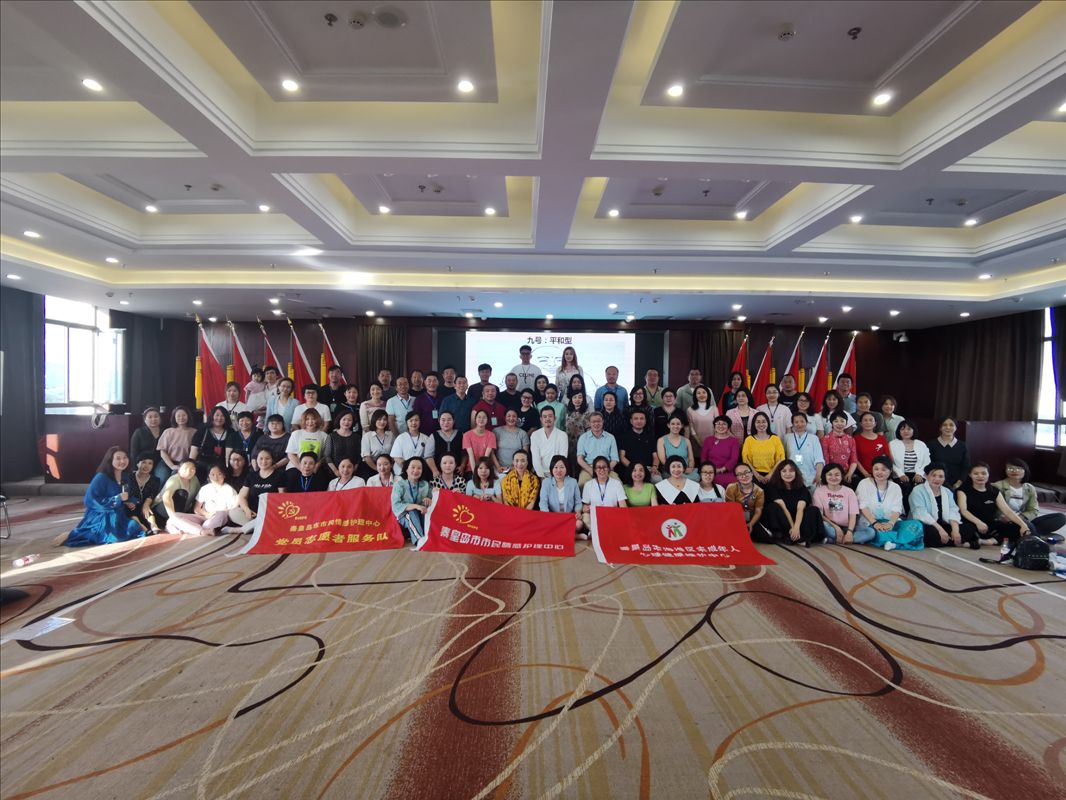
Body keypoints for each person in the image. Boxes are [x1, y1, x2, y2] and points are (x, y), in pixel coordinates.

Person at [63, 447, 147, 546]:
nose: (122, 461)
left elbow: (128, 495)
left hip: (118, 515)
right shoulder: (101, 477)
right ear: (110, 460)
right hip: (101, 515)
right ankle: (75, 534)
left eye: (125, 457)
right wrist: (117, 499)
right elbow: (90, 500)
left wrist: (129, 501)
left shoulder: (125, 477)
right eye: (118, 458)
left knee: (134, 527)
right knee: (113, 537)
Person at [957, 462, 1030, 548]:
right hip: (971, 524)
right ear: (970, 475)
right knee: (965, 530)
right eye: (976, 474)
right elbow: (963, 510)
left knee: (1018, 526)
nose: (980, 476)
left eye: (983, 473)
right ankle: (984, 540)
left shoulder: (994, 491)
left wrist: (1023, 525)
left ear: (988, 474)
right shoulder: (963, 490)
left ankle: (988, 541)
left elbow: (1007, 511)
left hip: (990, 526)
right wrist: (978, 522)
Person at [993, 458, 1066, 537]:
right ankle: (1034, 536)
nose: (1015, 471)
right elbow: (993, 509)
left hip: (1023, 519)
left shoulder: (1029, 488)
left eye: (1019, 468)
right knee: (1026, 525)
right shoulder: (997, 486)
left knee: (1060, 517)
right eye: (1010, 468)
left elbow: (1033, 510)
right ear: (1005, 471)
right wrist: (1011, 518)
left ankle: (1029, 533)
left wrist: (1021, 517)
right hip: (1005, 521)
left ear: (1025, 471)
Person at [759, 460, 824, 546]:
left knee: (813, 510)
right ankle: (790, 536)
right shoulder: (772, 487)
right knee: (773, 507)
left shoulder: (801, 487)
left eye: (791, 471)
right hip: (782, 520)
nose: (788, 474)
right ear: (779, 473)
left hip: (797, 518)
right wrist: (793, 527)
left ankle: (799, 536)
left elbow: (800, 509)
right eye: (784, 471)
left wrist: (796, 527)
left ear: (796, 472)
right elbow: (783, 508)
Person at [223, 449, 286, 533]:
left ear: (272, 460)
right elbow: (242, 496)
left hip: (270, 514)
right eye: (261, 458)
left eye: (267, 458)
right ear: (256, 460)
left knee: (273, 519)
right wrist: (247, 510)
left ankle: (241, 529)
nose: (264, 461)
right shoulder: (251, 476)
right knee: (233, 512)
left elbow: (282, 498)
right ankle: (259, 527)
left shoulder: (280, 475)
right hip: (252, 514)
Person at [167, 464, 240, 536]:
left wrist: (215, 514)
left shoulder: (229, 490)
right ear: (209, 476)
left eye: (219, 474)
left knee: (218, 516)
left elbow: (231, 510)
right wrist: (206, 514)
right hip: (204, 516)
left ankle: (193, 528)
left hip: (218, 517)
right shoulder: (205, 488)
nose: (216, 477)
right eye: (213, 474)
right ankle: (202, 531)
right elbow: (197, 508)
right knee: (174, 517)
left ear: (224, 475)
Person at [909, 463, 966, 548]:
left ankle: (951, 541)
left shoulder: (947, 491)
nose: (937, 479)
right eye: (934, 475)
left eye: (941, 476)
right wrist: (940, 529)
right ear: (926, 476)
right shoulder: (917, 491)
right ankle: (960, 543)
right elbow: (921, 514)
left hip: (943, 524)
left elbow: (953, 511)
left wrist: (955, 531)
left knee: (968, 528)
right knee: (932, 533)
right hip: (926, 524)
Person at [854, 456, 905, 546]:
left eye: (883, 469)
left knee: (917, 525)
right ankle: (894, 541)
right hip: (870, 523)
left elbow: (897, 509)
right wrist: (875, 523)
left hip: (889, 523)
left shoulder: (895, 487)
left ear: (890, 471)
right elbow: (863, 506)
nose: (879, 472)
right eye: (876, 469)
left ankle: (891, 541)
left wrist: (891, 523)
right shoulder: (864, 483)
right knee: (874, 532)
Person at [812, 463, 860, 544]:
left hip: (847, 527)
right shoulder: (819, 491)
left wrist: (850, 531)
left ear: (842, 476)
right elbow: (819, 514)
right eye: (830, 474)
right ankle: (844, 539)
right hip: (830, 526)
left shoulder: (849, 491)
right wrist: (836, 527)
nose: (833, 477)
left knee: (870, 532)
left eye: (837, 475)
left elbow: (853, 514)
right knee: (823, 526)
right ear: (825, 476)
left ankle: (835, 539)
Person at [539, 455, 586, 536]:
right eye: (556, 467)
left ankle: (559, 534)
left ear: (566, 468)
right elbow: (543, 502)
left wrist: (577, 512)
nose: (559, 470)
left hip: (568, 517)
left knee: (579, 524)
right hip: (552, 516)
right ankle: (574, 536)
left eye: (562, 467)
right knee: (543, 524)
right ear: (552, 469)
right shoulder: (546, 482)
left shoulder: (573, 482)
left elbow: (578, 502)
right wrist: (547, 515)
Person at [190, 405, 240, 480]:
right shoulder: (202, 430)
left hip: (222, 468)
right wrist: (190, 465)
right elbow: (194, 450)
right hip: (203, 466)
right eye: (217, 415)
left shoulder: (231, 432)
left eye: (222, 416)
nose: (219, 418)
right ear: (212, 416)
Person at [889, 421, 929, 510]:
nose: (906, 431)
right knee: (906, 487)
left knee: (919, 488)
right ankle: (906, 513)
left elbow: (927, 461)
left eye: (909, 429)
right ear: (898, 431)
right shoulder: (893, 444)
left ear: (913, 430)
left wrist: (919, 473)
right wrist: (900, 474)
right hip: (899, 475)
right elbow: (891, 462)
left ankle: (919, 512)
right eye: (902, 429)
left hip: (917, 474)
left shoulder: (921, 444)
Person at [391, 456, 432, 544]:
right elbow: (396, 505)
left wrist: (428, 499)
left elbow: (431, 501)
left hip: (420, 513)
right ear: (406, 469)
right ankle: (419, 540)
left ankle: (431, 537)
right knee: (412, 513)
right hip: (403, 514)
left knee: (427, 512)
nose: (416, 470)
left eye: (419, 468)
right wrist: (416, 506)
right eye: (413, 467)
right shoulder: (399, 485)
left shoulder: (425, 484)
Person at [152, 459, 199, 530]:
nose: (189, 471)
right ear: (179, 469)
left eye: (192, 469)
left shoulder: (195, 479)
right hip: (161, 513)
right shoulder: (174, 479)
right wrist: (174, 518)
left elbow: (199, 495)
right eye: (186, 468)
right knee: (182, 493)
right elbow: (166, 497)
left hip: (180, 512)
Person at [576, 411, 620, 487]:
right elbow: (580, 459)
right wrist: (591, 471)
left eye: (599, 421)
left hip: (607, 468)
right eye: (593, 422)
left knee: (618, 484)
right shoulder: (583, 438)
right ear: (589, 423)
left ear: (603, 421)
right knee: (581, 485)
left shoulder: (610, 437)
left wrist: (605, 470)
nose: (596, 424)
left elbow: (615, 459)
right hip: (589, 468)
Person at [581, 455, 627, 528]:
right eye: (598, 467)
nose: (602, 470)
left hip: (612, 516)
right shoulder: (588, 485)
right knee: (585, 517)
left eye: (604, 467)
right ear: (594, 470)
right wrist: (585, 508)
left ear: (608, 469)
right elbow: (585, 507)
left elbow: (623, 506)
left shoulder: (617, 483)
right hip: (595, 517)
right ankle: (593, 532)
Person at [740, 412, 785, 485]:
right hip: (753, 475)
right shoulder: (749, 439)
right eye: (758, 422)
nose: (761, 424)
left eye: (764, 422)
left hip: (773, 474)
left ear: (768, 423)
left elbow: (781, 458)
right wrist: (757, 475)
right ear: (754, 424)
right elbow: (746, 459)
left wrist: (770, 475)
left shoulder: (775, 438)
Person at [927, 416, 970, 489]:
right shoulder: (931, 445)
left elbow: (966, 467)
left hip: (957, 485)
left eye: (951, 425)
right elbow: (927, 465)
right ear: (940, 428)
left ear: (956, 428)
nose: (948, 427)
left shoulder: (962, 445)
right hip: (935, 483)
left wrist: (959, 483)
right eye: (944, 425)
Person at [726, 463, 766, 540]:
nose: (744, 476)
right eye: (739, 474)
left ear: (752, 473)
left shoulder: (759, 491)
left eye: (746, 472)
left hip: (751, 518)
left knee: (766, 538)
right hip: (734, 518)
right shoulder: (731, 487)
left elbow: (758, 510)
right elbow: (730, 508)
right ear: (737, 477)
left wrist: (751, 524)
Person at [155, 406, 196, 483]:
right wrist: (172, 466)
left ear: (188, 416)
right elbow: (162, 452)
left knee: (176, 478)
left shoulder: (194, 432)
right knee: (162, 478)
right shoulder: (168, 432)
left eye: (184, 415)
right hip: (167, 462)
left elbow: (195, 452)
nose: (181, 418)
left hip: (185, 463)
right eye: (178, 416)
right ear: (174, 418)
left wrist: (185, 465)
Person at [391, 410, 436, 476]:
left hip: (418, 473)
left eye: (416, 420)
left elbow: (428, 457)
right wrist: (408, 470)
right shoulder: (401, 438)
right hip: (401, 472)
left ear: (420, 422)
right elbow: (396, 457)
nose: (414, 423)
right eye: (411, 420)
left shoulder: (426, 438)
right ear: (407, 423)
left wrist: (416, 470)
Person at [785, 412, 824, 487]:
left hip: (811, 477)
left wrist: (818, 475)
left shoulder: (814, 438)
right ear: (792, 424)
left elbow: (819, 459)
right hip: (791, 477)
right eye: (796, 422)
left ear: (806, 423)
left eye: (802, 421)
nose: (799, 424)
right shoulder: (787, 438)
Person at [820, 411, 858, 485]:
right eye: (836, 421)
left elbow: (854, 460)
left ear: (846, 423)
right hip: (830, 474)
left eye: (842, 421)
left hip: (846, 474)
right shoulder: (825, 439)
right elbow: (825, 460)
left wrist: (849, 474)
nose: (839, 424)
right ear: (832, 423)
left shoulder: (850, 439)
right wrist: (830, 475)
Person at [701, 415, 740, 487]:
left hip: (727, 472)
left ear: (728, 427)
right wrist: (709, 470)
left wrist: (721, 469)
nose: (721, 426)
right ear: (714, 426)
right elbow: (703, 458)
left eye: (724, 424)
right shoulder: (708, 440)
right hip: (709, 472)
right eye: (718, 423)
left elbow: (734, 459)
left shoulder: (734, 441)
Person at [530, 406, 569, 478]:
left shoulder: (562, 435)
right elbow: (535, 459)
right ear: (541, 419)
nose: (547, 419)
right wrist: (542, 476)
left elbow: (563, 458)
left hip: (558, 472)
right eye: (545, 417)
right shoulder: (535, 435)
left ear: (555, 418)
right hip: (540, 473)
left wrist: (556, 476)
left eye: (550, 416)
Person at [322, 409, 361, 480]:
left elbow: (359, 456)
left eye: (349, 420)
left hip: (353, 473)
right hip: (334, 473)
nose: (346, 422)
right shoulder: (331, 436)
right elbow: (327, 456)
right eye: (344, 419)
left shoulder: (357, 437)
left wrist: (353, 470)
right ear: (339, 420)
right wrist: (335, 471)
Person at [853, 411, 891, 483]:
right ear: (860, 423)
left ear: (875, 423)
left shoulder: (881, 439)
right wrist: (865, 473)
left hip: (881, 474)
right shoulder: (855, 439)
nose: (868, 422)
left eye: (871, 420)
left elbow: (887, 457)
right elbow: (854, 459)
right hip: (862, 474)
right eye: (865, 420)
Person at [129, 451, 162, 533]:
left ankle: (153, 525)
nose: (147, 466)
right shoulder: (129, 477)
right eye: (143, 462)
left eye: (150, 463)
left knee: (148, 509)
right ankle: (143, 528)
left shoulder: (155, 480)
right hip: (131, 506)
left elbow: (152, 495)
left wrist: (146, 504)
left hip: (145, 506)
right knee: (131, 511)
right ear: (137, 464)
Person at [656, 415, 697, 480]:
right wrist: (677, 470)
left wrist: (690, 468)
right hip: (670, 471)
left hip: (686, 470)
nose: (675, 426)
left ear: (682, 425)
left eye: (678, 424)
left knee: (694, 478)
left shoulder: (686, 441)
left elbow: (691, 459)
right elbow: (663, 460)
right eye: (673, 424)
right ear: (668, 425)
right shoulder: (661, 440)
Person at [619, 408, 656, 480]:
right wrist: (634, 469)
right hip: (630, 468)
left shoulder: (650, 437)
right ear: (631, 421)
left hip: (648, 468)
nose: (639, 421)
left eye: (642, 418)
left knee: (657, 479)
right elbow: (622, 457)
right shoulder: (624, 437)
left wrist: (654, 467)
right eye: (636, 419)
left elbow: (655, 456)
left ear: (645, 421)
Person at [360, 409, 395, 479]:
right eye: (379, 419)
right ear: (374, 420)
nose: (382, 422)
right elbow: (366, 457)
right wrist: (378, 469)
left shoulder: (391, 435)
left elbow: (394, 454)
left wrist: (387, 468)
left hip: (387, 468)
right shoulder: (367, 436)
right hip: (371, 468)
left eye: (384, 419)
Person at [130, 407, 163, 478]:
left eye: (156, 416)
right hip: (143, 462)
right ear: (145, 420)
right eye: (150, 417)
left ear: (160, 419)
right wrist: (135, 469)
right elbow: (134, 453)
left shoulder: (165, 432)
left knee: (161, 478)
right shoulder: (139, 432)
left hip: (160, 463)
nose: (153, 419)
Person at [494, 409, 531, 473]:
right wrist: (498, 467)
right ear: (505, 417)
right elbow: (492, 452)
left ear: (517, 418)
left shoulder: (522, 433)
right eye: (509, 416)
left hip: (518, 469)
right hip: (499, 469)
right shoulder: (496, 431)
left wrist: (514, 468)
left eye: (514, 416)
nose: (511, 418)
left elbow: (525, 455)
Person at [433, 410, 466, 475]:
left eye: (449, 420)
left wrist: (462, 466)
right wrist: (434, 470)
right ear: (439, 421)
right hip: (439, 473)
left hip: (457, 472)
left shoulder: (461, 434)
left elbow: (465, 453)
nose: (446, 422)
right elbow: (429, 456)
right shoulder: (433, 436)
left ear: (453, 421)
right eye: (443, 420)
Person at [685, 384, 717, 448]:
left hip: (713, 442)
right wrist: (698, 441)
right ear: (695, 396)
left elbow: (717, 426)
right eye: (698, 393)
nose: (701, 395)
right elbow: (691, 427)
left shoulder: (714, 409)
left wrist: (713, 440)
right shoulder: (690, 410)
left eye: (704, 392)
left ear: (708, 394)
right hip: (695, 442)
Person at [564, 390, 592, 456]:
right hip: (568, 444)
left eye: (580, 397)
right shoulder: (568, 413)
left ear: (583, 399)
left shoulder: (587, 414)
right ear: (571, 399)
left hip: (582, 444)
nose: (577, 399)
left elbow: (589, 431)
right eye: (575, 397)